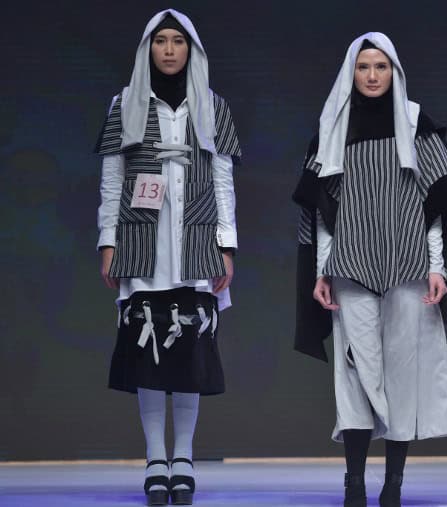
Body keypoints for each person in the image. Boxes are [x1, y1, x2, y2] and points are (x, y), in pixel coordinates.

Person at [292, 32, 447, 507]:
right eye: (364, 67)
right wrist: (321, 271)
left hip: (409, 266)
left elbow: (434, 205)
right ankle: (354, 482)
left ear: (395, 72)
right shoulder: (332, 127)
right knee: (356, 375)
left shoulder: (416, 124)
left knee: (402, 374)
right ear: (351, 73)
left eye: (381, 67)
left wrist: (437, 267)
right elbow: (323, 212)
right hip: (350, 267)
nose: (373, 75)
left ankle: (393, 484)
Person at [95, 9, 241, 506]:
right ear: (148, 48)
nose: (170, 49)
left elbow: (222, 179)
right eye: (162, 41)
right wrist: (108, 240)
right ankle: (155, 457)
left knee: (190, 355)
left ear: (192, 49)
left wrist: (226, 245)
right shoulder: (125, 104)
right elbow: (112, 177)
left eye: (179, 41)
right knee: (149, 356)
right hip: (143, 244)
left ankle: (184, 457)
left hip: (196, 243)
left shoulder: (212, 105)